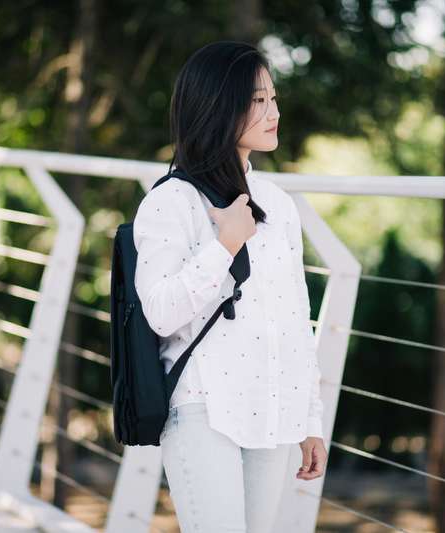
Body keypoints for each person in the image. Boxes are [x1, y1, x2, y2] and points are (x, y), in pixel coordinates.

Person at [133, 40, 328, 533]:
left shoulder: (277, 204)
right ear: (219, 107)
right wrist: (224, 246)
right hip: (204, 407)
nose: (274, 112)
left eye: (273, 98)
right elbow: (160, 311)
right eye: (258, 101)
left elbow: (294, 319)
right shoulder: (172, 201)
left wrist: (309, 420)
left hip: (273, 409)